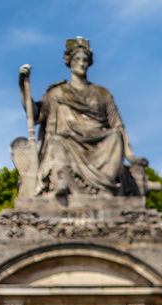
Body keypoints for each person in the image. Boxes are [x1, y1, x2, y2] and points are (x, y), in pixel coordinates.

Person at [19, 37, 144, 198]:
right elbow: (35, 113)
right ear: (69, 62)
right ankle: (61, 180)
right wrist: (23, 87)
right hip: (67, 140)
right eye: (77, 59)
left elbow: (117, 125)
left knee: (114, 136)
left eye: (85, 60)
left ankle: (105, 186)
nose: (82, 63)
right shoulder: (56, 92)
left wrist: (131, 156)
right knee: (56, 140)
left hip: (98, 141)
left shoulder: (103, 93)